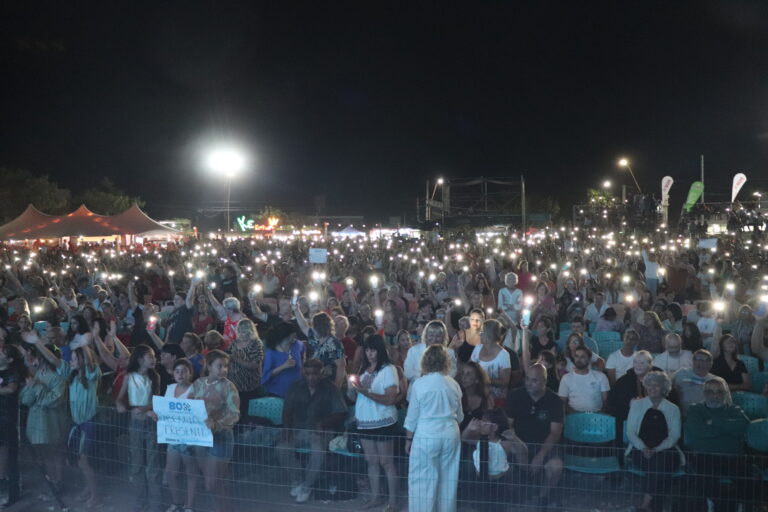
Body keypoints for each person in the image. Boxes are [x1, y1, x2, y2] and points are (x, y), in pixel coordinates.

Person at [22, 332, 102, 508]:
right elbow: (55, 360)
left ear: (82, 360)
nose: (70, 361)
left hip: (88, 422)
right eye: (71, 358)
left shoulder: (91, 376)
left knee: (85, 462)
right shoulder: (70, 374)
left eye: (74, 358)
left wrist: (84, 346)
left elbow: (90, 363)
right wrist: (37, 342)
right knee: (79, 461)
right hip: (77, 423)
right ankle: (88, 489)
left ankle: (95, 494)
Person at [278, 359, 347, 503]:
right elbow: (287, 410)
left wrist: (323, 423)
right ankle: (297, 480)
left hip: (321, 430)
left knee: (318, 451)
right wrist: (286, 428)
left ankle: (307, 486)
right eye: (307, 374)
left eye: (314, 374)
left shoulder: (331, 388)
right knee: (281, 448)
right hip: (298, 428)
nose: (311, 377)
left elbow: (340, 412)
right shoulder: (295, 386)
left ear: (321, 373)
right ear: (303, 372)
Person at [404, 344, 463, 512]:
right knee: (448, 480)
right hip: (450, 433)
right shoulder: (453, 384)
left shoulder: (420, 384)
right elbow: (460, 416)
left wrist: (408, 439)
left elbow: (412, 417)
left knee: (422, 481)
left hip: (426, 434)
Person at [348, 335, 400, 512]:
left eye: (373, 350)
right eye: (367, 350)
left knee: (387, 462)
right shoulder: (364, 369)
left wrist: (366, 392)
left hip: (383, 421)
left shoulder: (388, 370)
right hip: (365, 421)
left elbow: (390, 398)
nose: (369, 354)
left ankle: (393, 502)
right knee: (371, 461)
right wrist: (352, 389)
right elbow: (354, 397)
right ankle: (375, 497)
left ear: (380, 351)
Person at [684, 376, 751, 512]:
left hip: (732, 457)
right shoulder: (695, 409)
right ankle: (717, 505)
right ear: (704, 393)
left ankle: (731, 504)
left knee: (749, 479)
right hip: (705, 456)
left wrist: (713, 422)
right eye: (710, 392)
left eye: (719, 392)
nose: (715, 396)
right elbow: (698, 431)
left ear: (725, 393)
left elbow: (743, 426)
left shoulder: (734, 409)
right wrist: (727, 428)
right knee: (705, 478)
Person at [504, 364, 564, 508]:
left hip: (545, 444)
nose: (529, 383)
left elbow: (555, 432)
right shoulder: (515, 395)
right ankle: (511, 494)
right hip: (519, 442)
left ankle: (542, 497)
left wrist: (541, 455)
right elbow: (508, 424)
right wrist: (517, 444)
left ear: (544, 381)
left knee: (555, 466)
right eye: (527, 379)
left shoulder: (555, 400)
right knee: (500, 451)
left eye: (534, 380)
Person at [187, 350, 240, 512]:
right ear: (209, 366)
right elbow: (188, 405)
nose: (224, 370)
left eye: (226, 366)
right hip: (201, 437)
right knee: (212, 483)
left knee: (213, 483)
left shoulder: (229, 387)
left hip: (221, 437)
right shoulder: (198, 383)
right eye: (220, 366)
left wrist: (216, 424)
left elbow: (234, 414)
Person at [625, 371, 681, 512]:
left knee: (660, 463)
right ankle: (655, 506)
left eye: (656, 385)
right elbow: (630, 432)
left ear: (664, 388)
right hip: (639, 450)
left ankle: (645, 505)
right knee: (660, 468)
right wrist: (644, 448)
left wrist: (656, 450)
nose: (652, 388)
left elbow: (674, 436)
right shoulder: (637, 405)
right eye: (649, 385)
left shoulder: (673, 409)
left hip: (666, 450)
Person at [116, 344, 162, 512]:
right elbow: (120, 397)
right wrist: (120, 405)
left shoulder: (155, 376)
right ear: (141, 359)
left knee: (153, 464)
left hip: (150, 423)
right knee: (137, 463)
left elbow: (156, 399)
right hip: (135, 423)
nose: (154, 359)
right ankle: (140, 499)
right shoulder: (129, 376)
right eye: (151, 356)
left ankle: (155, 503)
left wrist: (143, 409)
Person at [19, 343, 68, 491]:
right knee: (45, 454)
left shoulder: (59, 378)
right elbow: (25, 399)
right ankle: (51, 481)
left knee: (55, 452)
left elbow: (53, 400)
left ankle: (59, 481)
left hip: (52, 422)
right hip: (37, 422)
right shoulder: (39, 373)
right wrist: (32, 388)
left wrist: (36, 387)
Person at [152, 358, 197, 512]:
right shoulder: (170, 388)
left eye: (184, 370)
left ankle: (189, 506)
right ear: (173, 373)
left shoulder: (195, 390)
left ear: (190, 373)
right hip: (172, 436)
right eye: (177, 371)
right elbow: (164, 410)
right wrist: (156, 414)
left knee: (191, 472)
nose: (180, 374)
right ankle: (177, 503)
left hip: (189, 437)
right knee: (171, 473)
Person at [293, 306, 346, 389]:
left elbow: (341, 366)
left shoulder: (333, 343)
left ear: (318, 327)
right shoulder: (315, 337)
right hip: (315, 381)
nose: (311, 328)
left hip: (329, 382)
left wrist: (337, 387)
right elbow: (304, 326)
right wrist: (296, 310)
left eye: (313, 325)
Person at [470, 319, 517, 405]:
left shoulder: (503, 355)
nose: (479, 334)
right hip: (477, 396)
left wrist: (485, 379)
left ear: (490, 334)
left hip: (496, 399)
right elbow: (470, 367)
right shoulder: (477, 348)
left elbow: (505, 382)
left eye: (482, 332)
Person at [0, 344, 24, 507]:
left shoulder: (13, 373)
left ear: (9, 359)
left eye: (2, 353)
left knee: (11, 457)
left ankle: (13, 492)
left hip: (8, 419)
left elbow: (11, 389)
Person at [226, 318, 265, 418]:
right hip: (233, 384)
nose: (240, 334)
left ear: (250, 332)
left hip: (249, 385)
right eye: (239, 331)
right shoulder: (234, 343)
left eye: (243, 332)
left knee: (246, 413)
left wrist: (236, 359)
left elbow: (255, 365)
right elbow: (227, 357)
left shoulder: (256, 344)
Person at [403, 320, 457, 385]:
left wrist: (437, 380)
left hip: (440, 386)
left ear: (443, 338)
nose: (434, 339)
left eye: (438, 336)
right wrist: (426, 379)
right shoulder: (413, 350)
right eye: (431, 335)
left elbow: (452, 371)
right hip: (418, 386)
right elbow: (408, 372)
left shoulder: (449, 353)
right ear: (426, 336)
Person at [557, 346, 609, 413]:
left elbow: (606, 401)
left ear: (589, 359)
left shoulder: (601, 376)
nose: (578, 359)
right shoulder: (566, 378)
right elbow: (562, 402)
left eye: (582, 357)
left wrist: (599, 414)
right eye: (576, 356)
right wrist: (576, 415)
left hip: (597, 416)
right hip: (573, 416)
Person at [261, 321, 305, 398]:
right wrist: (284, 366)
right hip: (277, 392)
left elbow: (303, 354)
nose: (295, 337)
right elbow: (267, 374)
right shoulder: (271, 352)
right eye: (293, 335)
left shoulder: (298, 345)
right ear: (286, 336)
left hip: (297, 390)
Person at [672, 349, 716, 415]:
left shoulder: (715, 380)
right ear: (693, 361)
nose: (702, 363)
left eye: (706, 360)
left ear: (711, 363)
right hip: (683, 415)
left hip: (705, 416)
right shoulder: (681, 373)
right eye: (698, 359)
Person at [458, 362, 493, 431]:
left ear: (477, 379)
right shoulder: (457, 396)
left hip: (479, 434)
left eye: (468, 374)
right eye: (463, 373)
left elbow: (489, 421)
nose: (464, 377)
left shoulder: (486, 398)